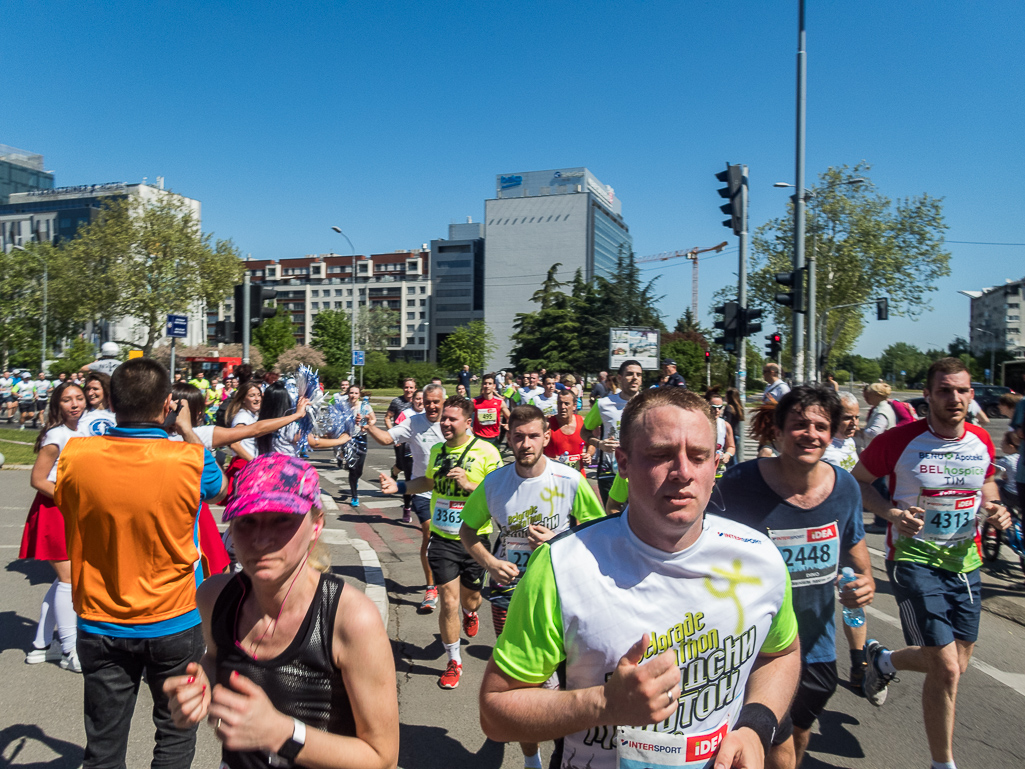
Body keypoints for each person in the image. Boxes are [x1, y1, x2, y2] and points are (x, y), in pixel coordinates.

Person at [478, 387, 801, 769]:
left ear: (716, 464)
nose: (683, 472)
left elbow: (781, 653)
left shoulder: (758, 557)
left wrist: (755, 727)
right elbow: (495, 711)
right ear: (624, 463)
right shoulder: (560, 566)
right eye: (661, 455)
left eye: (698, 456)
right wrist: (604, 705)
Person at [162, 454, 399, 769]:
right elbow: (217, 656)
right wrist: (200, 685)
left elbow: (382, 757)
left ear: (316, 526)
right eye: (247, 521)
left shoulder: (351, 619)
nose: (261, 539)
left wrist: (283, 733)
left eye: (281, 518)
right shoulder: (214, 597)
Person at [54, 358, 228, 769]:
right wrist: (186, 431)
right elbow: (219, 492)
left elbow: (64, 499)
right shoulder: (189, 459)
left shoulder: (76, 455)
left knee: (103, 744)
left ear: (111, 401)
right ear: (168, 404)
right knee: (174, 735)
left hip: (100, 619)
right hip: (175, 618)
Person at [851, 357, 1011, 769]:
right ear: (928, 395)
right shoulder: (899, 440)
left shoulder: (980, 440)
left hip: (966, 561)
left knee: (956, 663)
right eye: (944, 390)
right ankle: (943, 764)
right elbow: (857, 481)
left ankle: (882, 661)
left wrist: (994, 507)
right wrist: (891, 514)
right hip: (914, 559)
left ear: (972, 395)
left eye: (961, 391)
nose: (954, 398)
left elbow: (987, 480)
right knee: (946, 667)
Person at [716, 386, 874, 769]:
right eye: (799, 424)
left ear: (833, 432)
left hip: (816, 645)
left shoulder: (845, 487)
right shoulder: (739, 484)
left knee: (797, 734)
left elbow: (856, 552)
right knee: (752, 743)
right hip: (753, 643)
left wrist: (864, 584)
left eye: (821, 426)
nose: (811, 434)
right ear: (779, 431)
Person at [459, 404, 604, 769]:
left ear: (545, 437)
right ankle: (531, 759)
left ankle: (570, 751)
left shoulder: (569, 480)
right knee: (523, 688)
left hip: (562, 596)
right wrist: (491, 563)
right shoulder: (494, 484)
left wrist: (559, 538)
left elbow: (600, 533)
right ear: (509, 438)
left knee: (570, 684)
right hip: (510, 597)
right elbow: (467, 530)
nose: (526, 444)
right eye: (519, 436)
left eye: (533, 436)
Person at [378, 396, 503, 690]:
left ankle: (471, 613)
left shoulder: (487, 452)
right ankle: (453, 661)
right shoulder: (437, 450)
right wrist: (400, 486)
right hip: (443, 537)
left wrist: (471, 486)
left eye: (451, 419)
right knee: (448, 601)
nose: (445, 423)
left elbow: (497, 494)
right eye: (444, 418)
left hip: (475, 539)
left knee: (470, 599)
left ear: (468, 422)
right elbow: (429, 483)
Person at [19, 381, 88, 672]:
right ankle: (71, 650)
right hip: (53, 511)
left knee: (63, 581)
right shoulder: (56, 435)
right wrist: (68, 497)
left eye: (79, 398)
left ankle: (41, 644)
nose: (75, 404)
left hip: (74, 511)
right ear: (56, 406)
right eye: (67, 400)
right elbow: (37, 479)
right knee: (70, 581)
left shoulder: (87, 429)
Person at [365, 383, 446, 611]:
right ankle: (431, 587)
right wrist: (371, 427)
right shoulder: (414, 423)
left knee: (451, 541)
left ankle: (451, 580)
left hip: (450, 493)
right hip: (422, 489)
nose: (431, 406)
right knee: (429, 535)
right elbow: (386, 439)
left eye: (436, 402)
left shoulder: (452, 423)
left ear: (443, 403)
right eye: (427, 401)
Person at [581, 359, 644, 503]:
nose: (635, 378)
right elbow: (584, 431)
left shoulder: (649, 403)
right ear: (620, 378)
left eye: (638, 375)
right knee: (613, 517)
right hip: (610, 471)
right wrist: (599, 444)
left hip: (640, 470)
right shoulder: (604, 404)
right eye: (630, 374)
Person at [335, 384, 374, 507]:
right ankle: (354, 496)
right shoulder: (342, 406)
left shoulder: (364, 406)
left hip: (361, 438)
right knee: (352, 468)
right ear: (348, 393)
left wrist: (367, 423)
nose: (353, 395)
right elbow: (335, 420)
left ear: (359, 395)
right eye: (351, 393)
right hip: (347, 439)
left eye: (356, 393)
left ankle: (356, 479)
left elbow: (373, 419)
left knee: (359, 469)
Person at [225, 380, 264, 488]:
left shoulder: (253, 415)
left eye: (258, 395)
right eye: (252, 396)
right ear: (243, 399)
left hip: (251, 466)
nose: (257, 399)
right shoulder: (242, 417)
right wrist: (254, 462)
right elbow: (234, 444)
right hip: (245, 467)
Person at [544, 389, 587, 474]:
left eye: (566, 404)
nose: (562, 407)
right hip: (554, 476)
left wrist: (588, 454)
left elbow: (591, 444)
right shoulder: (547, 424)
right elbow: (537, 450)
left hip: (578, 476)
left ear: (574, 406)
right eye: (560, 403)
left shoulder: (582, 422)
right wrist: (551, 460)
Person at [385, 378, 417, 491]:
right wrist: (393, 435)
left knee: (414, 464)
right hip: (400, 438)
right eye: (406, 387)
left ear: (415, 389)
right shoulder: (397, 402)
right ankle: (394, 472)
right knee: (401, 465)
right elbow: (387, 418)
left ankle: (412, 488)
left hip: (414, 438)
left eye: (411, 387)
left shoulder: (418, 402)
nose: (409, 390)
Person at [472, 372, 509, 447]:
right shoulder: (474, 401)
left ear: (494, 386)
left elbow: (509, 417)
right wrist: (469, 428)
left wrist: (508, 425)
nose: (487, 386)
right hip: (478, 438)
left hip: (494, 438)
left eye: (490, 383)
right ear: (482, 385)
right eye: (485, 383)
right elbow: (464, 416)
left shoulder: (500, 402)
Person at [78, 371, 116, 436]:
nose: (90, 393)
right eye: (88, 389)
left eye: (95, 389)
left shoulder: (118, 414)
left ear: (106, 390)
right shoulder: (80, 413)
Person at [706, 391, 736, 474]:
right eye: (713, 407)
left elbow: (731, 446)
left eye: (720, 407)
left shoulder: (725, 425)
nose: (717, 410)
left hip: (719, 470)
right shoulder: (697, 424)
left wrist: (727, 455)